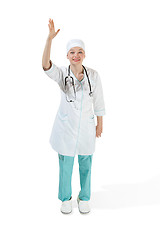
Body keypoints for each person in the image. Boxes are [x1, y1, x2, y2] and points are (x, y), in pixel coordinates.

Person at [42, 18, 106, 214]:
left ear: (84, 55)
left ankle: (84, 197)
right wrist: (49, 39)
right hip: (66, 128)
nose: (76, 55)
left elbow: (99, 101)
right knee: (66, 165)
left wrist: (99, 123)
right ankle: (66, 198)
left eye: (79, 52)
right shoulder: (62, 74)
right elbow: (45, 65)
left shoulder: (93, 75)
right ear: (67, 56)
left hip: (86, 127)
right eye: (72, 52)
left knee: (86, 163)